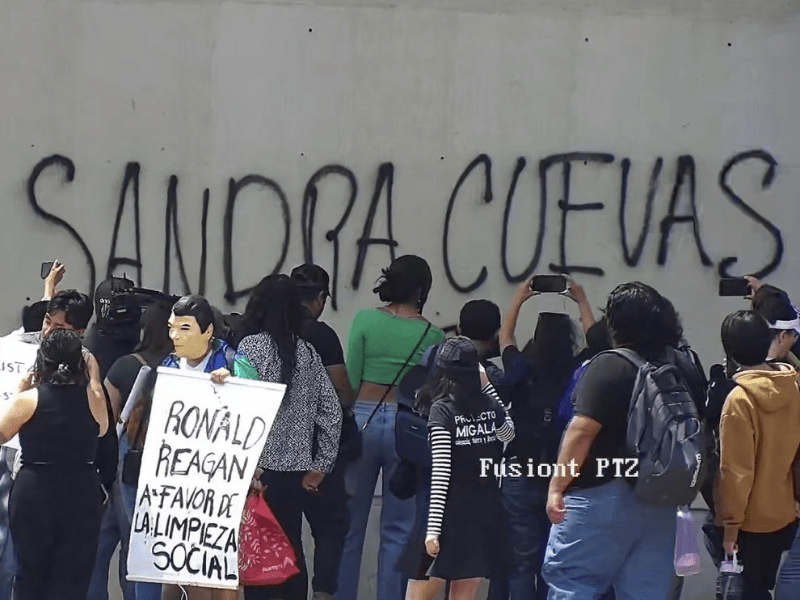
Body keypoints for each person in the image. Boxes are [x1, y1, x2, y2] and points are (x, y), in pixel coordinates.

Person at [542, 282, 705, 599]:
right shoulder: (683, 366)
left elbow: (581, 431)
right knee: (646, 591)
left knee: (574, 585)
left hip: (601, 497)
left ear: (614, 324)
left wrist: (556, 487)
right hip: (661, 498)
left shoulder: (610, 365)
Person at [336, 255, 445, 600]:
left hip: (364, 420)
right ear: (420, 290)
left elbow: (351, 380)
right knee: (399, 528)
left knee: (350, 526)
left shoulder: (365, 319)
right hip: (407, 426)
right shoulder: (433, 333)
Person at [235, 275, 342, 600]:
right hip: (297, 475)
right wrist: (321, 464)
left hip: (259, 474)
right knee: (291, 547)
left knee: (261, 554)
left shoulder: (249, 349)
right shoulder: (308, 353)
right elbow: (332, 411)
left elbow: (242, 410)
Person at [488, 280, 583, 600]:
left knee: (520, 563)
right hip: (560, 477)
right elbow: (599, 345)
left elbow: (505, 339)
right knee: (552, 560)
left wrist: (518, 300)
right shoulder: (576, 371)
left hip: (519, 471)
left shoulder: (522, 368)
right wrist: (582, 300)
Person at [1, 329, 108, 600]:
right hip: (80, 492)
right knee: (73, 576)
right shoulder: (92, 398)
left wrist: (19, 390)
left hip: (35, 490)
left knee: (30, 574)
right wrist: (94, 377)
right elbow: (103, 429)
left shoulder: (29, 400)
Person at [412, 337, 513, 600]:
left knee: (417, 595)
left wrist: (432, 530)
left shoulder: (442, 411)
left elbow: (442, 473)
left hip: (446, 516)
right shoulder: (490, 407)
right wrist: (488, 387)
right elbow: (509, 434)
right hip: (483, 514)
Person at [86, 301, 174, 600]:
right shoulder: (179, 369)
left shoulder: (126, 365)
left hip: (124, 460)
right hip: (164, 466)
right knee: (137, 546)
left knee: (100, 547)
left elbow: (105, 418)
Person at [716, 310, 800, 599]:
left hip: (748, 521)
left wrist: (730, 529)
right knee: (767, 586)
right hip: (785, 512)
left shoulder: (738, 400)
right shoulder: (793, 386)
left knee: (750, 591)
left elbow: (736, 472)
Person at [290, 264, 355, 600]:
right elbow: (343, 392)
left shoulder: (263, 331)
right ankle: (323, 594)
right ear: (320, 298)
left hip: (275, 450)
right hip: (318, 449)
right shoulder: (321, 335)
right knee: (329, 529)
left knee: (287, 530)